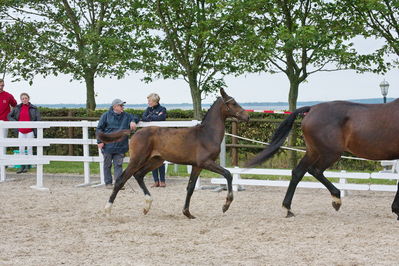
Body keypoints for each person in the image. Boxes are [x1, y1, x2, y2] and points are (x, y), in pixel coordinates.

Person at [96, 99, 139, 189]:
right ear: (114, 107)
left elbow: (136, 116)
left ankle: (118, 183)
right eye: (121, 105)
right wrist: (100, 141)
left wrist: (133, 121)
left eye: (122, 106)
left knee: (118, 165)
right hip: (108, 145)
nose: (122, 107)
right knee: (107, 165)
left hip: (120, 146)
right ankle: (108, 183)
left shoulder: (127, 116)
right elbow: (99, 129)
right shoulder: (106, 116)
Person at [8, 92, 41, 173]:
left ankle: (27, 166)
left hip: (30, 131)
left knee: (29, 148)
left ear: (28, 99)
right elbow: (9, 116)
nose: (24, 100)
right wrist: (16, 123)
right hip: (21, 131)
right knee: (21, 148)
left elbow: (38, 119)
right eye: (22, 98)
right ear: (21, 100)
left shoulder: (34, 108)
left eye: (26, 98)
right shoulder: (17, 108)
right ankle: (22, 166)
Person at [141, 93, 167, 187]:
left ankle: (162, 181)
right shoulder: (148, 109)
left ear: (155, 101)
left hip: (160, 136)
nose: (148, 102)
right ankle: (156, 181)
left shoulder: (162, 109)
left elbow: (161, 118)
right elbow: (143, 117)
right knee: (151, 158)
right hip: (151, 137)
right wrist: (152, 118)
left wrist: (150, 118)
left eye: (149, 101)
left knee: (161, 158)